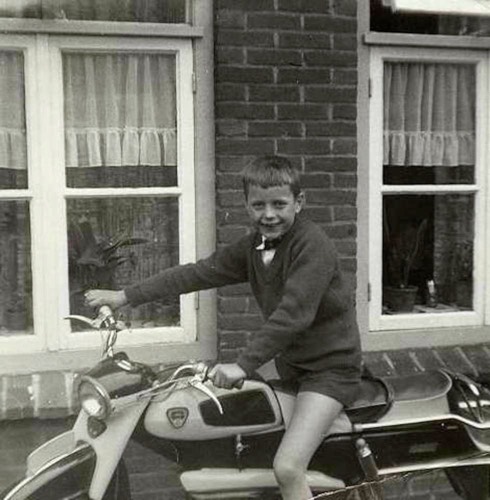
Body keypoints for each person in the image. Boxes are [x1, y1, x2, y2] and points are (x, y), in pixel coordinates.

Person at [85, 155, 362, 500]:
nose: (269, 214)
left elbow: (293, 315)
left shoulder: (312, 245)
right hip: (292, 368)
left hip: (330, 372)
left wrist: (242, 365)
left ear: (299, 202)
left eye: (279, 204)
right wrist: (125, 296)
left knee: (288, 468)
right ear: (246, 205)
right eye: (258, 205)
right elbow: (198, 273)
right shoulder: (254, 247)